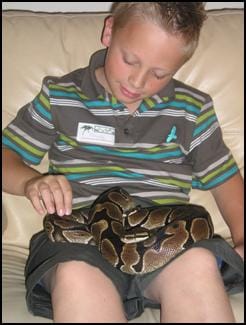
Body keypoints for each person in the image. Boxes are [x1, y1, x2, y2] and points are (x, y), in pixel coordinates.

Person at [2, 2, 244, 323]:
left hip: (166, 240)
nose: (138, 82)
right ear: (109, 31)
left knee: (198, 266)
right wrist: (31, 181)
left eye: (159, 74)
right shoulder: (61, 95)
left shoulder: (191, 109)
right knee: (77, 275)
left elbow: (225, 179)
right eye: (129, 60)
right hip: (80, 236)